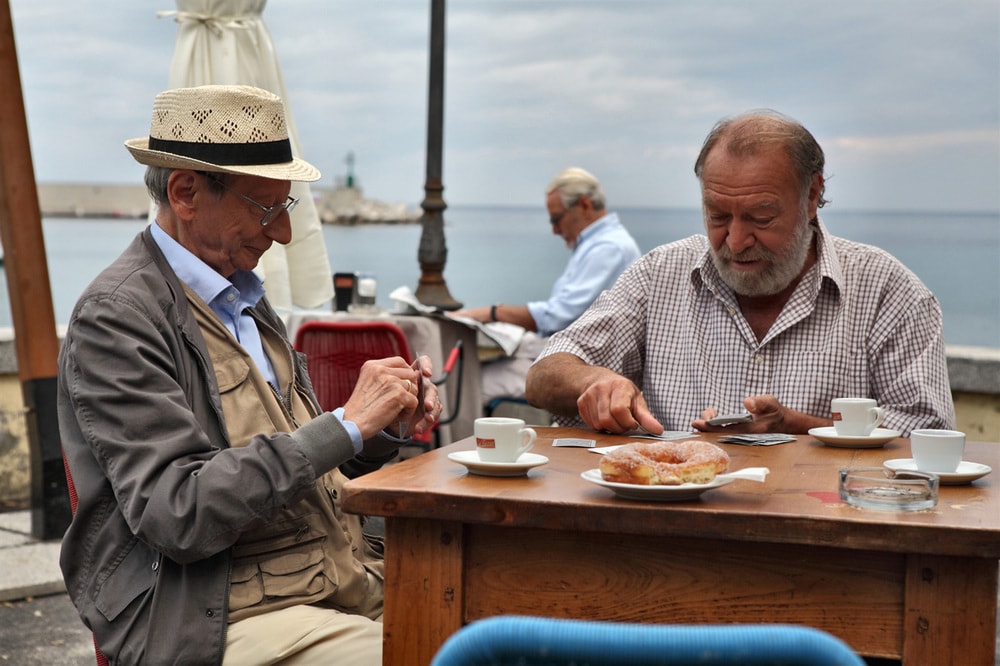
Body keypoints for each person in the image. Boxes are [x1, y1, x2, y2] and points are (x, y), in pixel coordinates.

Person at [57, 85, 442, 665]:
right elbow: (176, 510)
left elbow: (305, 467)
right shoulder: (117, 317)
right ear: (186, 192)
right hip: (210, 616)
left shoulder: (242, 299)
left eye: (285, 209)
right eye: (266, 209)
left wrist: (380, 427)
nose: (282, 234)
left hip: (336, 587)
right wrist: (343, 424)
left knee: (511, 626)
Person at [525, 110, 955, 437]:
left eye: (760, 218)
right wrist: (598, 380)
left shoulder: (889, 293)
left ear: (813, 196)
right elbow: (544, 374)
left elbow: (930, 439)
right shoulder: (659, 274)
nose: (734, 240)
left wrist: (797, 428)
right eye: (717, 216)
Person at [453, 167, 641, 407]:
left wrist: (491, 313)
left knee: (468, 384)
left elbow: (560, 317)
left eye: (556, 219)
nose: (554, 230)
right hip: (572, 358)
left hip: (581, 366)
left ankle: (458, 443)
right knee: (472, 372)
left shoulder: (609, 249)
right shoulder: (599, 245)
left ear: (584, 206)